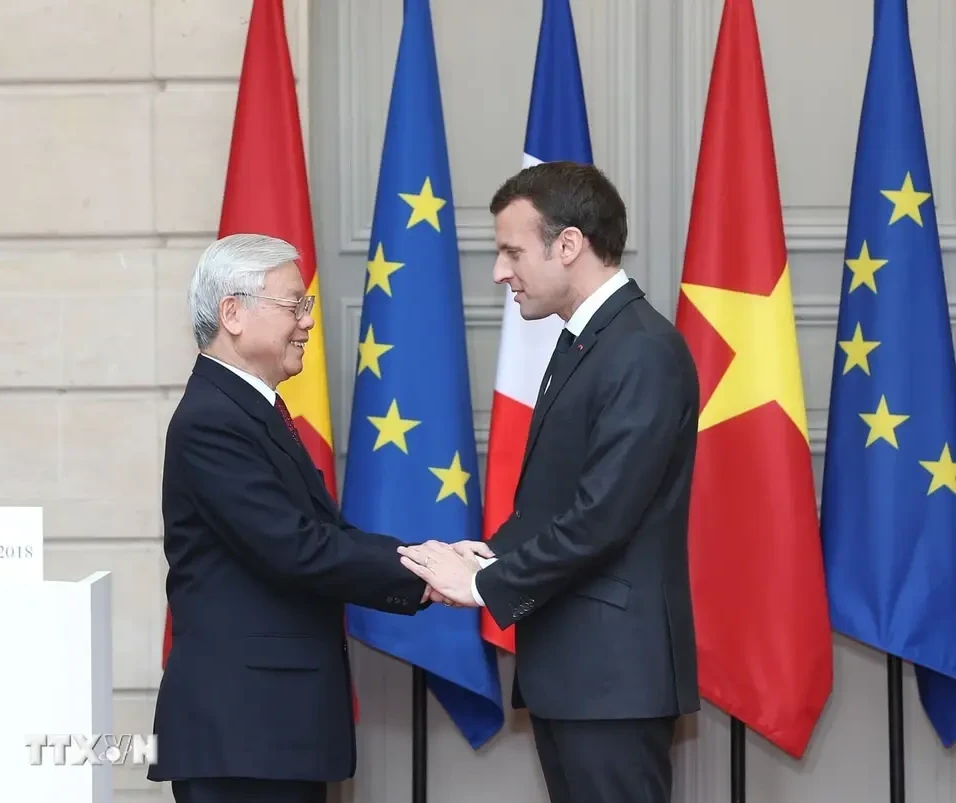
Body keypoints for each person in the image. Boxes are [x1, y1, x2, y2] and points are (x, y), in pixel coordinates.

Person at [399, 161, 701, 803]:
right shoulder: (588, 342)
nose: (499, 272)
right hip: (578, 671)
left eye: (512, 251)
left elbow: (602, 517)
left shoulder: (641, 349)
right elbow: (557, 501)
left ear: (568, 245)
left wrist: (483, 584)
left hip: (611, 681)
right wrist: (481, 554)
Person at [148, 233, 432, 803]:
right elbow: (296, 548)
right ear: (233, 313)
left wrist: (422, 559)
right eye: (293, 305)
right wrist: (426, 575)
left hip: (269, 733)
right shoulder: (214, 421)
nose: (307, 321)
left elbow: (326, 535)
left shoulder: (252, 411)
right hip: (244, 735)